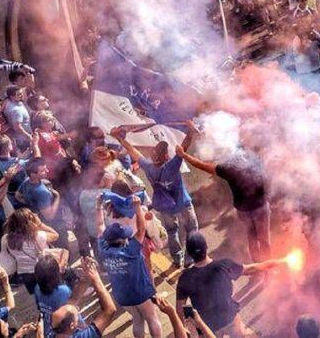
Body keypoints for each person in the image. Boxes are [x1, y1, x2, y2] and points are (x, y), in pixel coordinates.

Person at [113, 125, 198, 268]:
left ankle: (177, 258)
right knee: (192, 229)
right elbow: (183, 148)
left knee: (172, 231)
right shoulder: (172, 166)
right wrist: (190, 131)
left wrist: (120, 139)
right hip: (183, 203)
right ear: (166, 156)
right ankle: (189, 258)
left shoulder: (148, 166)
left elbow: (133, 152)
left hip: (165, 207)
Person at [176, 231, 285, 338]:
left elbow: (179, 309)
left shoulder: (185, 278)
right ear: (206, 246)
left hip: (207, 327)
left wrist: (183, 330)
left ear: (189, 253)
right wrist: (276, 262)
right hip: (230, 319)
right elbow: (252, 268)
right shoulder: (224, 265)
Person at [178, 143, 271, 261]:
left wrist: (184, 155)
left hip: (246, 210)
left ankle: (260, 268)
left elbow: (202, 165)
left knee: (252, 238)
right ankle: (267, 267)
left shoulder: (229, 169)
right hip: (260, 207)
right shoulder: (254, 160)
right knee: (263, 241)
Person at [97, 195, 162, 338]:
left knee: (138, 319)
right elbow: (142, 229)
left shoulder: (103, 248)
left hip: (122, 296)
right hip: (140, 292)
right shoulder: (130, 250)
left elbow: (100, 226)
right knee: (152, 318)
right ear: (121, 239)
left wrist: (98, 207)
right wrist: (138, 207)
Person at [49, 256, 118, 338]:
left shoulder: (54, 331)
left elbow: (73, 300)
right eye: (77, 311)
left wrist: (87, 276)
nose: (77, 309)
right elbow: (110, 310)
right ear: (72, 325)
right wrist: (96, 278)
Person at [0, 208, 64, 293]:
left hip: (26, 275)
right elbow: (56, 235)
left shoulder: (6, 239)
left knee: (39, 296)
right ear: (29, 222)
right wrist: (40, 224)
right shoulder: (38, 236)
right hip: (44, 271)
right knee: (53, 293)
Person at [34, 254, 83, 338]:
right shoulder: (63, 290)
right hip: (65, 328)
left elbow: (39, 307)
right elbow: (72, 309)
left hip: (49, 328)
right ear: (56, 274)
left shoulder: (37, 288)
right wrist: (83, 327)